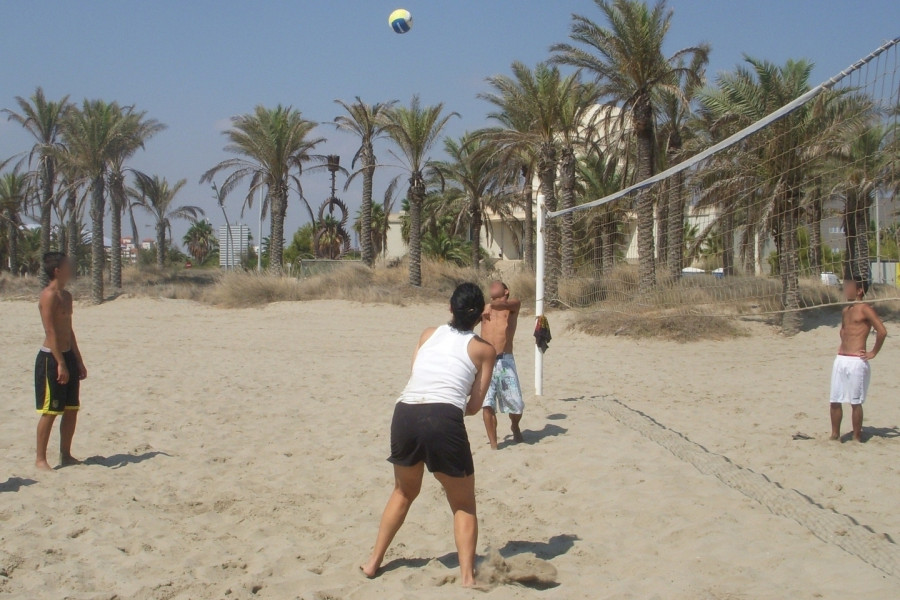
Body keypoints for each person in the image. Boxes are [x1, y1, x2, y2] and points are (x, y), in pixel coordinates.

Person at [361, 283, 495, 586]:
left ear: (450, 308)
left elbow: (415, 375)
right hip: (443, 418)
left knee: (403, 492)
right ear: (480, 317)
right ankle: (467, 577)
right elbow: (474, 405)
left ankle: (372, 563)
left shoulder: (427, 334)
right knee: (463, 504)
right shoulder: (484, 350)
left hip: (406, 411)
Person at [34, 252, 87, 470]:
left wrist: (78, 360)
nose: (71, 269)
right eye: (67, 266)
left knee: (72, 408)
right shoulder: (48, 296)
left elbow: (68, 330)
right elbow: (51, 330)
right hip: (50, 358)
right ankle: (40, 459)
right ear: (57, 270)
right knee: (51, 410)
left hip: (67, 355)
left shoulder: (67, 296)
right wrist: (60, 363)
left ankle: (66, 454)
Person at [830, 276, 887, 442]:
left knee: (855, 401)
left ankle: (856, 437)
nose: (845, 289)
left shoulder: (865, 309)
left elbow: (882, 331)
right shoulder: (846, 310)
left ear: (859, 290)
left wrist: (873, 352)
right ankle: (834, 435)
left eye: (849, 286)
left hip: (857, 360)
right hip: (841, 358)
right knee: (834, 399)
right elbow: (844, 331)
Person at [480, 280, 524, 449]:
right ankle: (493, 444)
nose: (492, 284)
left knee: (516, 405)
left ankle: (515, 425)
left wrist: (486, 306)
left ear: (506, 290)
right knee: (487, 403)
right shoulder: (484, 308)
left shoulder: (513, 305)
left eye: (496, 284)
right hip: (486, 361)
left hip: (505, 360)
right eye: (490, 284)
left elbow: (501, 305)